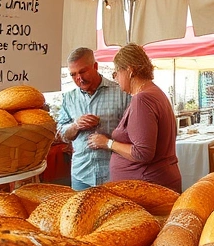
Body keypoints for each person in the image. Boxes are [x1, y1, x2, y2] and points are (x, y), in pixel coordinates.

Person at [88, 44, 182, 192]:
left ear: (130, 71)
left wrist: (108, 143)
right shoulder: (154, 92)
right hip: (155, 182)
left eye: (117, 72)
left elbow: (142, 153)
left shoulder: (142, 99)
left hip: (147, 186)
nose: (116, 78)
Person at [56, 47, 130, 190]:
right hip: (81, 175)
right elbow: (61, 134)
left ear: (95, 66)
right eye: (73, 74)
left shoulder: (121, 93)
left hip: (114, 173)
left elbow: (132, 133)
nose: (79, 78)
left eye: (83, 71)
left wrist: (107, 139)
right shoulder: (69, 98)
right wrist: (75, 125)